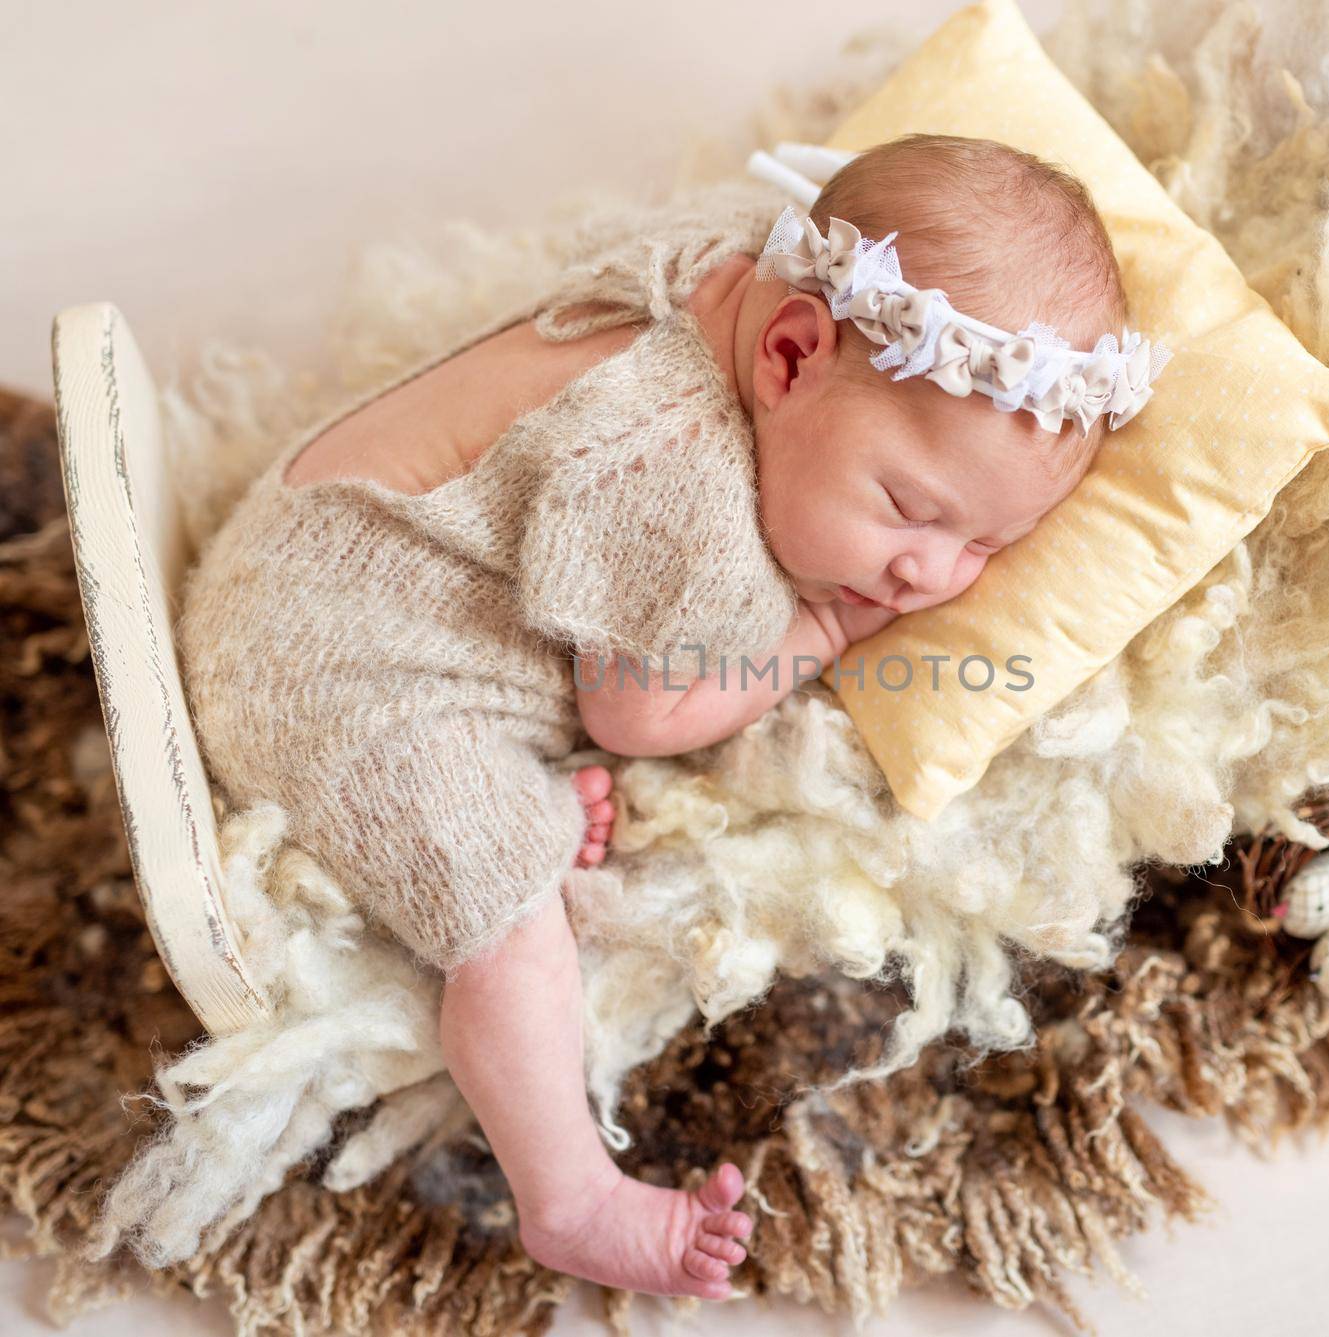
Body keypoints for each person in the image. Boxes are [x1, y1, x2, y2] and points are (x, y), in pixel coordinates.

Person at [176, 132, 1165, 1301]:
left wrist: (890, 515)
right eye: (908, 508)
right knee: (506, 914)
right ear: (792, 357)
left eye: (986, 547)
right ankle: (570, 1194)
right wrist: (822, 636)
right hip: (335, 678)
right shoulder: (687, 495)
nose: (929, 576)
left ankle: (526, 781)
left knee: (527, 758)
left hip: (307, 546)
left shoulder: (734, 259)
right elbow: (643, 712)